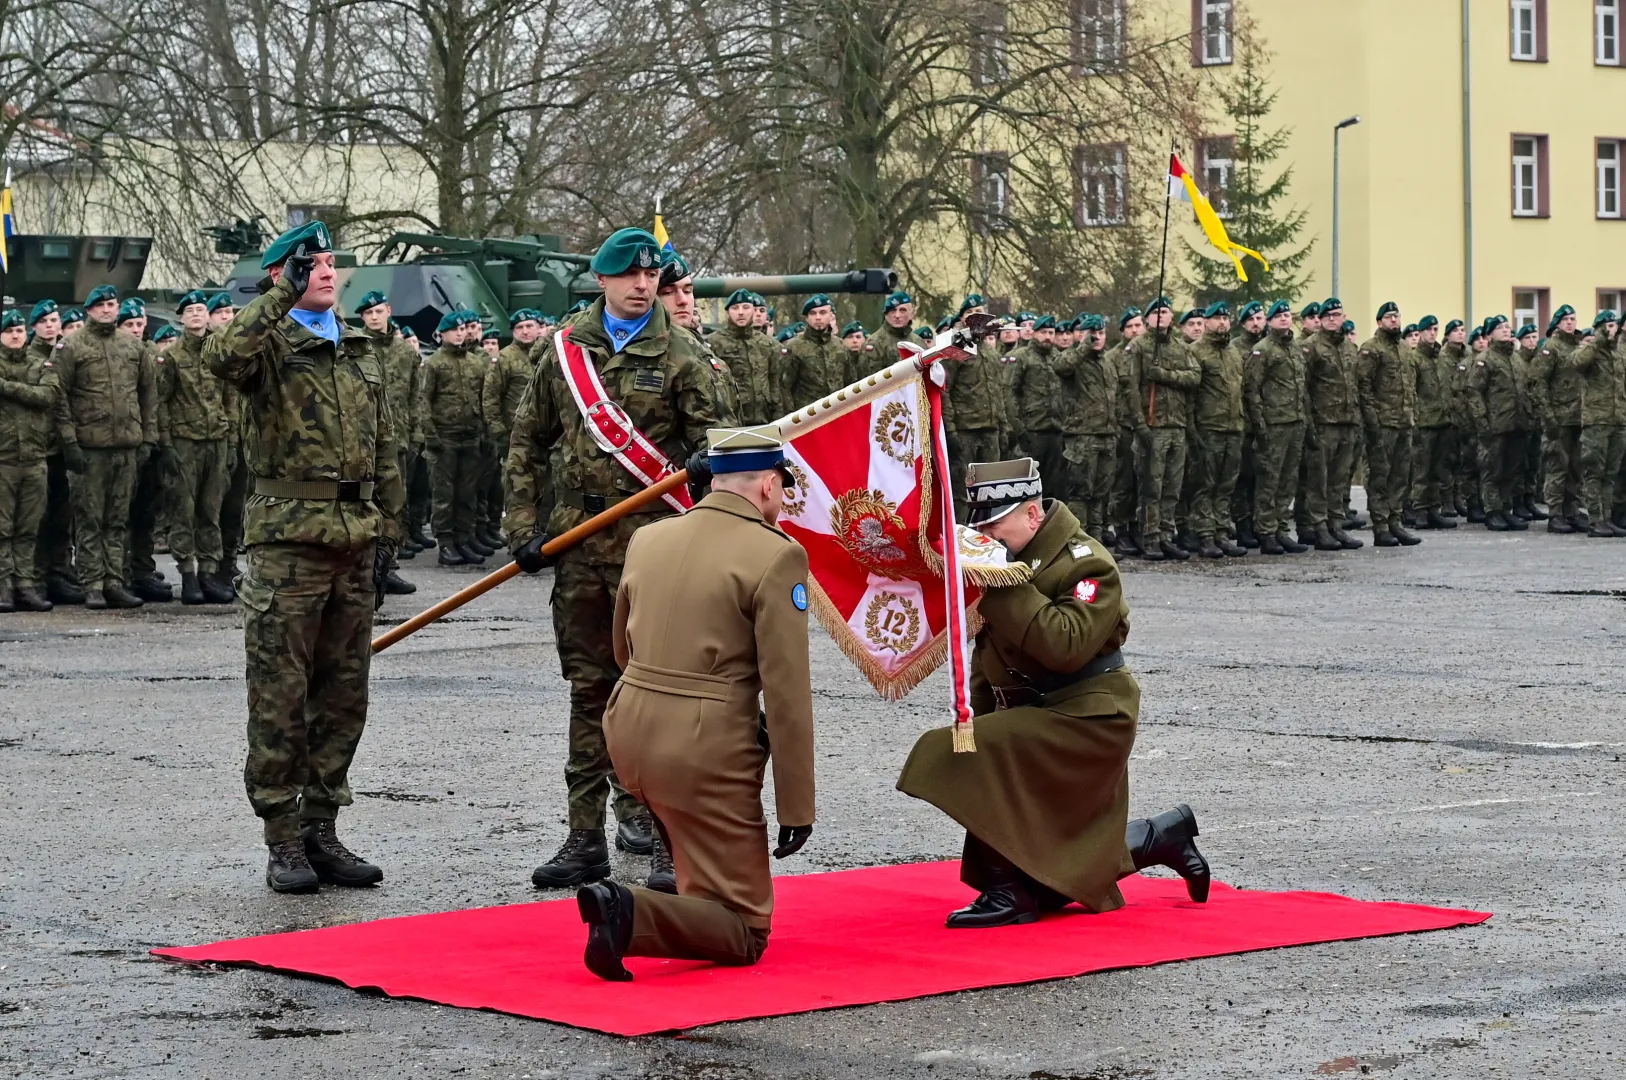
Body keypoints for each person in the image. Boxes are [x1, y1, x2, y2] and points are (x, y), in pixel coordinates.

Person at [896, 458, 1209, 928]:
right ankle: (1160, 836)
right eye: (980, 525)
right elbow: (991, 656)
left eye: (996, 523)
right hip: (1042, 709)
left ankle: (1007, 893)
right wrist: (979, 719)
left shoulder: (1089, 564)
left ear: (1032, 514)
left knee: (950, 753)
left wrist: (998, 587)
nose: (987, 536)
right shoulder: (1012, 562)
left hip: (1092, 713)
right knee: (1051, 872)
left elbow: (1065, 645)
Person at [504, 227, 718, 888]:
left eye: (652, 276)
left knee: (656, 696)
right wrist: (522, 524)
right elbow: (526, 439)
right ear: (601, 280)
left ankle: (660, 838)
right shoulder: (565, 354)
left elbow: (719, 440)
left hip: (657, 549)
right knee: (589, 691)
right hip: (579, 545)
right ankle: (583, 837)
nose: (642, 285)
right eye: (629, 276)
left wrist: (709, 460)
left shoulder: (683, 354)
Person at [576, 426, 814, 980]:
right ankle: (626, 911)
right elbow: (787, 695)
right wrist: (796, 806)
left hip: (631, 729)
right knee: (746, 929)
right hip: (705, 746)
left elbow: (620, 646)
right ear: (769, 486)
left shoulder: (650, 537)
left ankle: (648, 910)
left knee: (703, 875)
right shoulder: (777, 555)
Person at [207, 220, 403, 892]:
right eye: (307, 264)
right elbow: (224, 359)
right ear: (281, 275)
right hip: (287, 542)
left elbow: (388, 446)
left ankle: (324, 827)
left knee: (344, 695)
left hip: (354, 537)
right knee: (280, 696)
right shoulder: (267, 341)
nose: (324, 271)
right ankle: (282, 836)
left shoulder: (359, 345)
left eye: (327, 262)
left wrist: (389, 537)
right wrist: (276, 299)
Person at [54, 285, 157, 609]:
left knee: (118, 518)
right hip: (89, 447)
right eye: (100, 305)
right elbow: (60, 397)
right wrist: (69, 441)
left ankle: (114, 581)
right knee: (89, 518)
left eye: (112, 304)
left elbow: (148, 395)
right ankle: (93, 584)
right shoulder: (72, 345)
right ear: (89, 309)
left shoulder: (131, 346)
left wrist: (147, 438)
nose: (107, 310)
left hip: (125, 445)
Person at [157, 290, 238, 603]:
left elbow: (229, 398)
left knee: (211, 511)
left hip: (216, 440)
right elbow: (161, 402)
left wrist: (231, 442)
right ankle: (188, 575)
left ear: (208, 315)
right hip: (184, 442)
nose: (195, 315)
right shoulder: (173, 355)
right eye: (189, 310)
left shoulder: (219, 351)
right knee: (184, 511)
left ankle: (208, 572)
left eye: (200, 309)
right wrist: (166, 445)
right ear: (181, 318)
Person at [356, 291, 423, 592]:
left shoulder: (405, 352)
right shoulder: (355, 348)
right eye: (368, 313)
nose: (373, 317)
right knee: (362, 501)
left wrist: (416, 434)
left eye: (378, 311)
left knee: (395, 502)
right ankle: (361, 565)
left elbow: (414, 397)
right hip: (362, 438)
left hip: (398, 438)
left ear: (388, 311)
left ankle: (388, 564)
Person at [1125, 299, 1199, 561]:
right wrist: (1140, 425)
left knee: (1172, 486)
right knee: (1151, 487)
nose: (1160, 316)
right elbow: (1130, 389)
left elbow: (1194, 376)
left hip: (1177, 425)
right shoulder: (1139, 346)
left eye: (1164, 312)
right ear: (1147, 318)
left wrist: (1165, 375)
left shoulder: (1180, 345)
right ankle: (1150, 537)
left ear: (1171, 317)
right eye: (1155, 312)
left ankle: (1167, 535)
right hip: (1152, 425)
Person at [0, 308, 60, 612]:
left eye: (19, 331)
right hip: (4, 460)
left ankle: (25, 585)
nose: (15, 335)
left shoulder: (41, 364)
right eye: (9, 331)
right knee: (2, 528)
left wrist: (7, 387)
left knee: (28, 527)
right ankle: (3, 587)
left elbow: (48, 396)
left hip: (34, 458)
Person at [420, 309, 489, 565]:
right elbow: (423, 401)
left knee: (467, 493)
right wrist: (431, 436)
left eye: (462, 330)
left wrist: (484, 430)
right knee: (444, 495)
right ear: (443, 334)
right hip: (444, 439)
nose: (460, 334)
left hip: (471, 437)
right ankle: (446, 544)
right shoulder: (435, 363)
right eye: (454, 330)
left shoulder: (475, 363)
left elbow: (484, 399)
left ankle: (464, 538)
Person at [116, 299, 174, 603]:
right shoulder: (115, 357)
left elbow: (157, 401)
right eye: (129, 325)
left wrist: (156, 441)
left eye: (140, 325)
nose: (136, 330)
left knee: (145, 514)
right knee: (120, 514)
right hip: (122, 442)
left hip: (149, 442)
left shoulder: (150, 355)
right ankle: (121, 573)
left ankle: (142, 569)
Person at [24, 301, 82, 605]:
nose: (50, 325)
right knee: (37, 517)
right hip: (36, 447)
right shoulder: (28, 357)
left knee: (62, 516)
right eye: (43, 320)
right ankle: (36, 577)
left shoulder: (66, 355)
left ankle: (59, 573)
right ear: (34, 326)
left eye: (54, 320)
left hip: (63, 446)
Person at [1243, 301, 1308, 555]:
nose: (1284, 319)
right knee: (1269, 481)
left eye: (1287, 315)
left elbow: (1303, 388)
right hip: (1273, 424)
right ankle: (1266, 531)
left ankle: (1281, 528)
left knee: (1288, 480)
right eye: (1278, 316)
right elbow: (1252, 391)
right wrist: (1261, 427)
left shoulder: (1296, 349)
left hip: (1295, 422)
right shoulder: (1262, 350)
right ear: (1269, 322)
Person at [1357, 302, 1421, 547]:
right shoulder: (1371, 349)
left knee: (1400, 476)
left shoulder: (1404, 349)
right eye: (1389, 317)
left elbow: (1411, 386)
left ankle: (1396, 521)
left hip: (1403, 421)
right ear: (1379, 322)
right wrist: (1372, 420)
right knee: (1380, 476)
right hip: (1382, 423)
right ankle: (1381, 525)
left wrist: (1411, 414)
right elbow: (1364, 387)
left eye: (1396, 316)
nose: (1394, 320)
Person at [1302, 298, 1363, 550]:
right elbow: (1302, 388)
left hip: (1347, 422)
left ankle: (1336, 525)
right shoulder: (1310, 347)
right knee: (1319, 480)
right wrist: (1310, 423)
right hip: (1323, 422)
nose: (1331, 319)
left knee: (1340, 480)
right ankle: (1318, 528)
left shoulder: (1350, 348)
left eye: (1336, 315)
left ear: (1343, 317)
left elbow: (1356, 384)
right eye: (1326, 316)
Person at [1189, 301, 1247, 558]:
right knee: (1205, 485)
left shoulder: (1234, 352)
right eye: (1216, 318)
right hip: (1208, 427)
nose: (1222, 322)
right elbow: (1191, 396)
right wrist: (1193, 430)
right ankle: (1205, 535)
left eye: (1225, 317)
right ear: (1207, 322)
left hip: (1233, 427)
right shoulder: (1197, 352)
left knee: (1226, 485)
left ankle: (1222, 532)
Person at [943, 315, 1011, 520]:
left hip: (990, 431)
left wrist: (1003, 427)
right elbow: (944, 390)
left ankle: (989, 538)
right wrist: (950, 430)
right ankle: (962, 538)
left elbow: (997, 392)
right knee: (963, 493)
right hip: (965, 431)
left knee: (991, 491)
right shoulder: (955, 351)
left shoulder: (990, 352)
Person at [1468, 316, 1532, 532]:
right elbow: (1474, 393)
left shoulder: (1515, 358)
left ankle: (1506, 508)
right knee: (1492, 469)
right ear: (1489, 334)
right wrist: (1482, 422)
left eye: (1507, 327)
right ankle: (1492, 511)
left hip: (1517, 422)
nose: (1506, 330)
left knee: (1512, 470)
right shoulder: (1485, 359)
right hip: (1495, 424)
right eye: (1500, 328)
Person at [1054, 314, 1116, 537]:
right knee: (1080, 493)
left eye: (1100, 333)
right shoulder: (1074, 359)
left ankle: (1097, 539)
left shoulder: (1107, 363)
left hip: (1106, 435)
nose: (1097, 338)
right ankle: (1079, 540)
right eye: (1092, 333)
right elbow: (1060, 367)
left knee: (1100, 493)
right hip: (1082, 437)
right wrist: (1083, 347)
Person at [1531, 306, 1586, 532]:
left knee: (1575, 467)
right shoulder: (1550, 348)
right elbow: (1538, 382)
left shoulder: (1579, 347)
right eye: (1566, 319)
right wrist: (1548, 415)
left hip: (1578, 416)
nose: (1570, 323)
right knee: (1557, 465)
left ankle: (1571, 510)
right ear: (1557, 323)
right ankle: (1555, 513)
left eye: (1573, 319)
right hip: (1559, 417)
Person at [1570, 310, 1624, 537]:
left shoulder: (1619, 354)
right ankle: (1595, 520)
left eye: (1614, 325)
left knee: (1610, 474)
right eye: (1608, 325)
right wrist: (1598, 340)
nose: (1613, 329)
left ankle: (1607, 518)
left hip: (1618, 420)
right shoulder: (1589, 350)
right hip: (1596, 420)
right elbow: (1576, 363)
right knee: (1594, 472)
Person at [1011, 315, 1068, 500]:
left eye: (1051, 332)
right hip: (1032, 429)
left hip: (1056, 429)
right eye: (1043, 332)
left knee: (1053, 485)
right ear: (1034, 333)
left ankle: (1048, 525)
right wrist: (1018, 428)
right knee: (1029, 485)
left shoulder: (1058, 358)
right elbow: (1009, 392)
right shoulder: (1022, 356)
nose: (1048, 337)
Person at [1409, 315, 1458, 530]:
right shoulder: (1415, 359)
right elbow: (1411, 391)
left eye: (1435, 329)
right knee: (1422, 470)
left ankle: (1434, 509)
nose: (1432, 333)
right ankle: (1419, 510)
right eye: (1428, 329)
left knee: (1438, 470)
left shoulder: (1442, 359)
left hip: (1443, 420)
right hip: (1424, 422)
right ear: (1420, 333)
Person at [709, 289, 781, 424]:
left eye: (746, 307)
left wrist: (778, 416)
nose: (741, 312)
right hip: (731, 420)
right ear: (728, 313)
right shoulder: (714, 343)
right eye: (735, 308)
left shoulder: (766, 343)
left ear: (753, 311)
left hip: (765, 418)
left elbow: (774, 381)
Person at [782, 294, 851, 408]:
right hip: (806, 415)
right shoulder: (794, 347)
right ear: (807, 318)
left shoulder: (840, 346)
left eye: (823, 312)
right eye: (813, 313)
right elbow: (785, 386)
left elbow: (850, 382)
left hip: (837, 411)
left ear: (830, 315)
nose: (818, 317)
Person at [865, 291, 915, 375]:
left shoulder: (918, 342)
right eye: (892, 311)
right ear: (886, 314)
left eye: (902, 310)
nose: (897, 315)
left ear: (911, 314)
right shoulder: (875, 343)